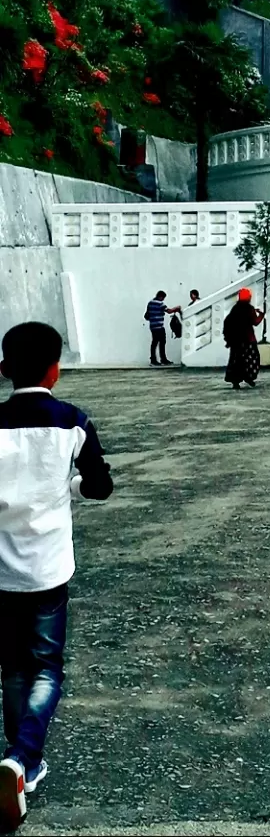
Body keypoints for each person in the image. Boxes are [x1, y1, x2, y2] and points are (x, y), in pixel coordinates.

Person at [0, 321, 113, 830]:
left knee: (13, 668)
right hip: (47, 569)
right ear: (56, 370)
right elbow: (100, 487)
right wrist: (63, 485)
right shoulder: (71, 422)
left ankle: (22, 765)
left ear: (4, 370)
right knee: (47, 667)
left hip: (1, 571)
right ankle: (21, 759)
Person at [223, 288, 263, 390]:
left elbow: (227, 322)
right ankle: (249, 377)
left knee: (236, 361)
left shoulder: (235, 309)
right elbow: (255, 322)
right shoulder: (249, 309)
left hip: (236, 341)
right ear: (249, 297)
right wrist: (261, 315)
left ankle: (235, 382)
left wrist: (228, 339)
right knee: (252, 359)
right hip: (248, 339)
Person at [143, 290, 181, 366]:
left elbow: (146, 315)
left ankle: (153, 360)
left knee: (154, 343)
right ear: (161, 296)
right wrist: (177, 308)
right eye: (163, 298)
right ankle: (163, 359)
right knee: (162, 343)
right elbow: (169, 311)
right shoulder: (160, 304)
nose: (163, 299)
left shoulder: (150, 303)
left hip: (153, 326)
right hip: (159, 326)